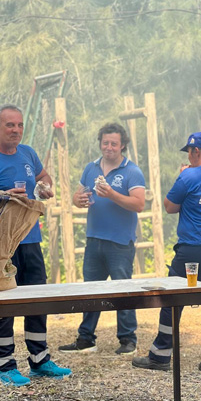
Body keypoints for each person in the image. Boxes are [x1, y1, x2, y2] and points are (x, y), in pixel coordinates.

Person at [0, 104, 73, 386]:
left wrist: (45, 186)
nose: (16, 130)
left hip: (31, 239)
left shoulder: (28, 153)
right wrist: (1, 197)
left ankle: (40, 360)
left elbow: (44, 178)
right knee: (4, 304)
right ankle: (5, 365)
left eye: (19, 125)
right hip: (0, 246)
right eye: (10, 125)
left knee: (37, 300)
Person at [132, 131, 201, 371]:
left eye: (189, 152)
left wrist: (181, 176)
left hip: (195, 250)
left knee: (172, 298)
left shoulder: (188, 175)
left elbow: (170, 207)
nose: (188, 157)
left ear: (196, 151)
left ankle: (160, 356)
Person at [58, 122, 145, 356]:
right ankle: (86, 338)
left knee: (122, 291)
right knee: (90, 291)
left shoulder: (132, 171)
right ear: (100, 143)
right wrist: (78, 200)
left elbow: (139, 204)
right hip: (94, 239)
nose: (109, 147)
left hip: (120, 242)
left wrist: (112, 194)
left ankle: (128, 339)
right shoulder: (91, 168)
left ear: (122, 145)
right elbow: (77, 196)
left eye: (114, 143)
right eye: (105, 143)